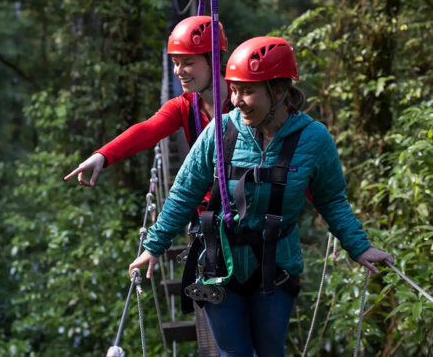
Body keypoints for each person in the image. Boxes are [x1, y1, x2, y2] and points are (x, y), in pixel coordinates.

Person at [129, 36, 394, 356]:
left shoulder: (313, 139)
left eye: (248, 91)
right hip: (219, 266)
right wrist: (153, 247)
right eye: (234, 89)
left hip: (276, 267)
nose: (236, 100)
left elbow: (331, 199)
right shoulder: (220, 131)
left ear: (279, 91)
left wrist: (359, 247)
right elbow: (183, 192)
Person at [64, 15, 232, 186]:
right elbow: (147, 130)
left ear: (214, 60)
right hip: (206, 205)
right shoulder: (184, 107)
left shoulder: (245, 101)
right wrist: (103, 155)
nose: (178, 71)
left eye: (187, 63)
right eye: (175, 63)